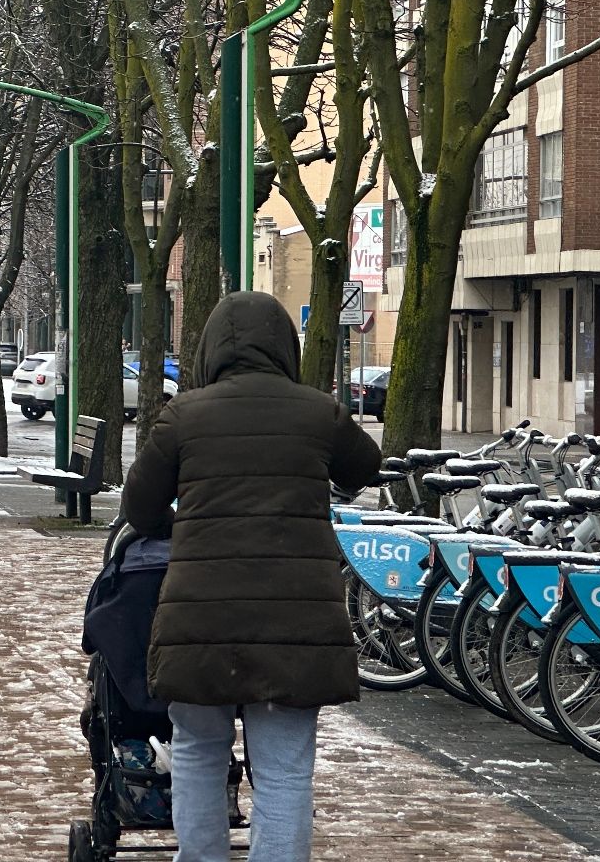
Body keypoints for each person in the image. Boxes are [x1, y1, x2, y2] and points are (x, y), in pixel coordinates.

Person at [120, 291, 381, 862]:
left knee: (196, 753)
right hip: (296, 624)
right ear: (286, 346)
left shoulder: (183, 415)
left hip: (200, 620)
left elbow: (138, 506)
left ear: (210, 350)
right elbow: (366, 466)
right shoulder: (318, 412)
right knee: (285, 771)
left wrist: (182, 527)